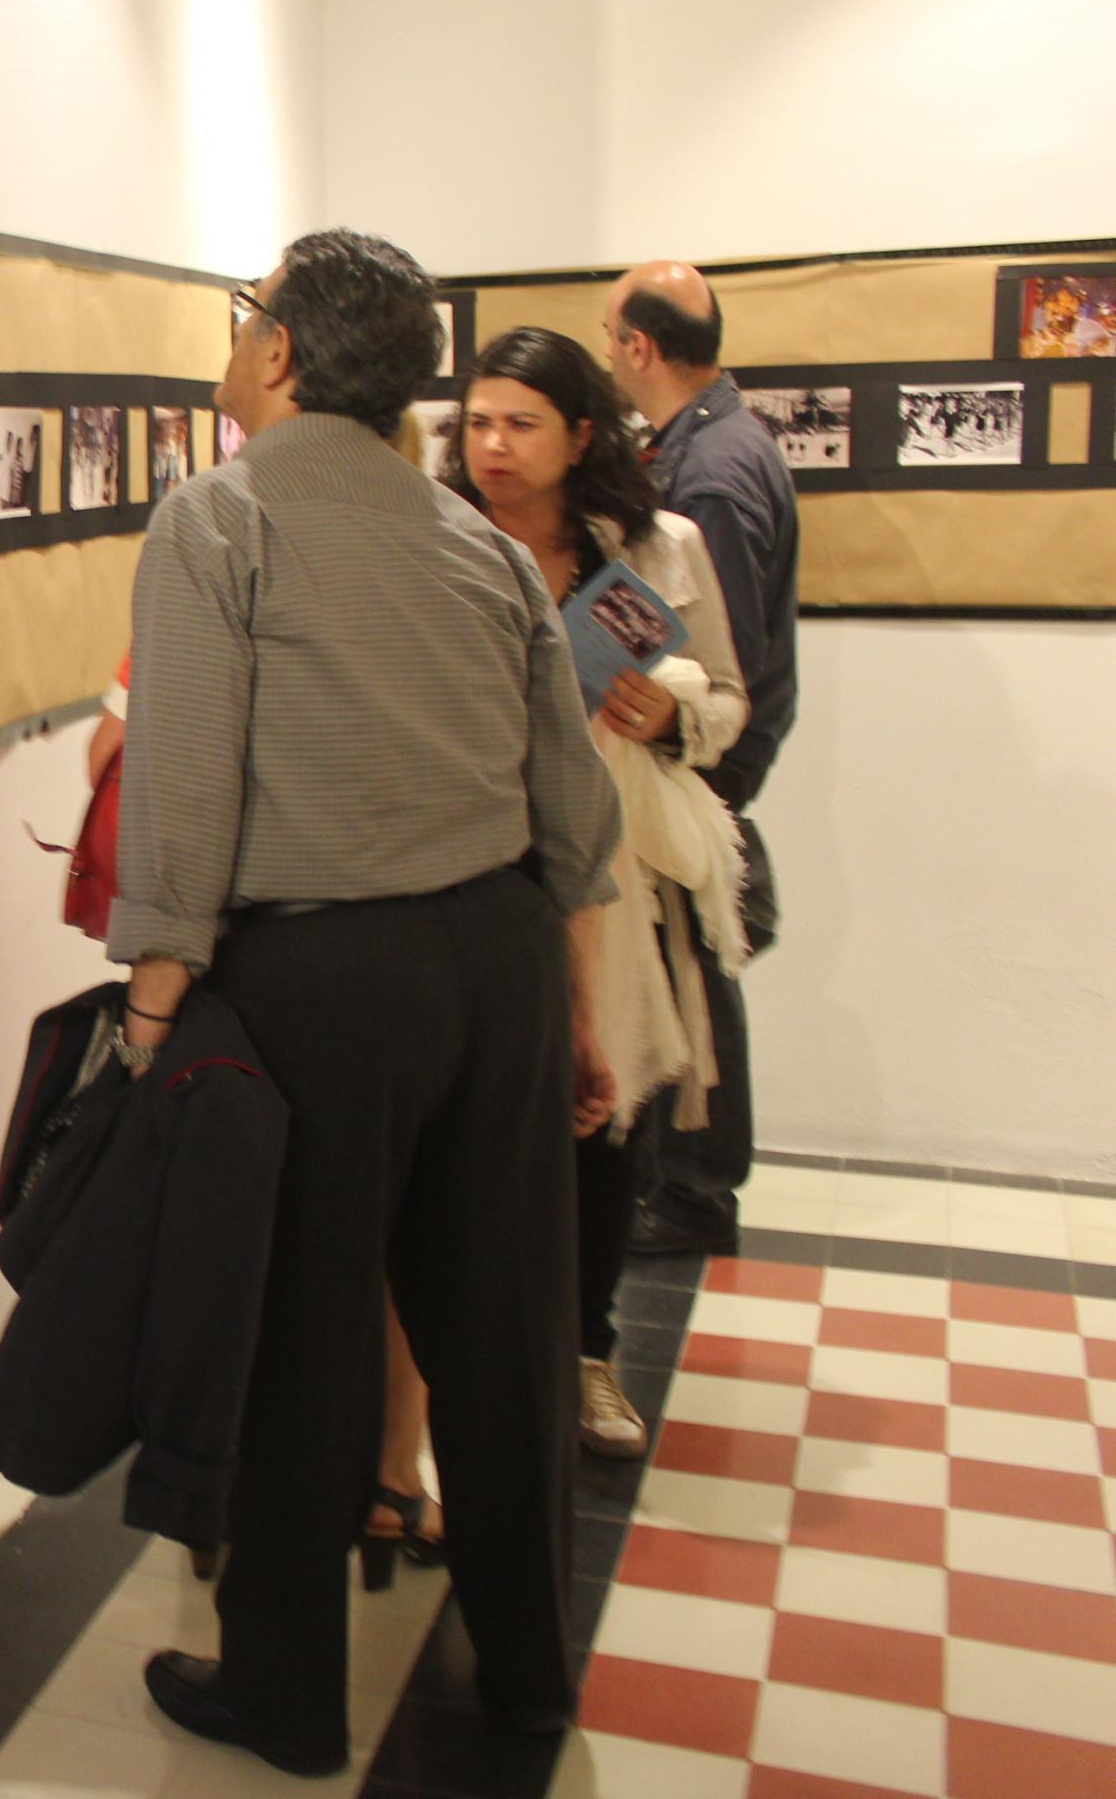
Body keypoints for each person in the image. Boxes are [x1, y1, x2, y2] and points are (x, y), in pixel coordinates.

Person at [114, 231, 620, 1776]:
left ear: (279, 352)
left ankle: (285, 1697)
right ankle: (528, 1670)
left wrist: (153, 1003)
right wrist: (576, 1013)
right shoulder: (475, 542)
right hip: (499, 961)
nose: (240, 337)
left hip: (321, 981)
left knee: (301, 1340)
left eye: (247, 313)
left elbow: (186, 784)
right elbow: (570, 804)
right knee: (505, 1332)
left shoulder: (218, 517)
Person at [443, 327, 751, 1462]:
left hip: (612, 880)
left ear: (580, 435)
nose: (494, 446)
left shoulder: (658, 548)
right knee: (474, 1124)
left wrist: (674, 716)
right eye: (478, 422)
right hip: (469, 860)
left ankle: (586, 1350)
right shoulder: (438, 541)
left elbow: (731, 698)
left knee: (599, 1119)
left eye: (521, 424)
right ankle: (468, 1361)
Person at [604, 262, 797, 1257]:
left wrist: (684, 743)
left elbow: (721, 658)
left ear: (639, 345)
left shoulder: (710, 470)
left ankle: (692, 1187)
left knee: (694, 963)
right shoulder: (714, 442)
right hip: (685, 753)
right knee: (685, 960)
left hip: (693, 759)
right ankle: (680, 1180)